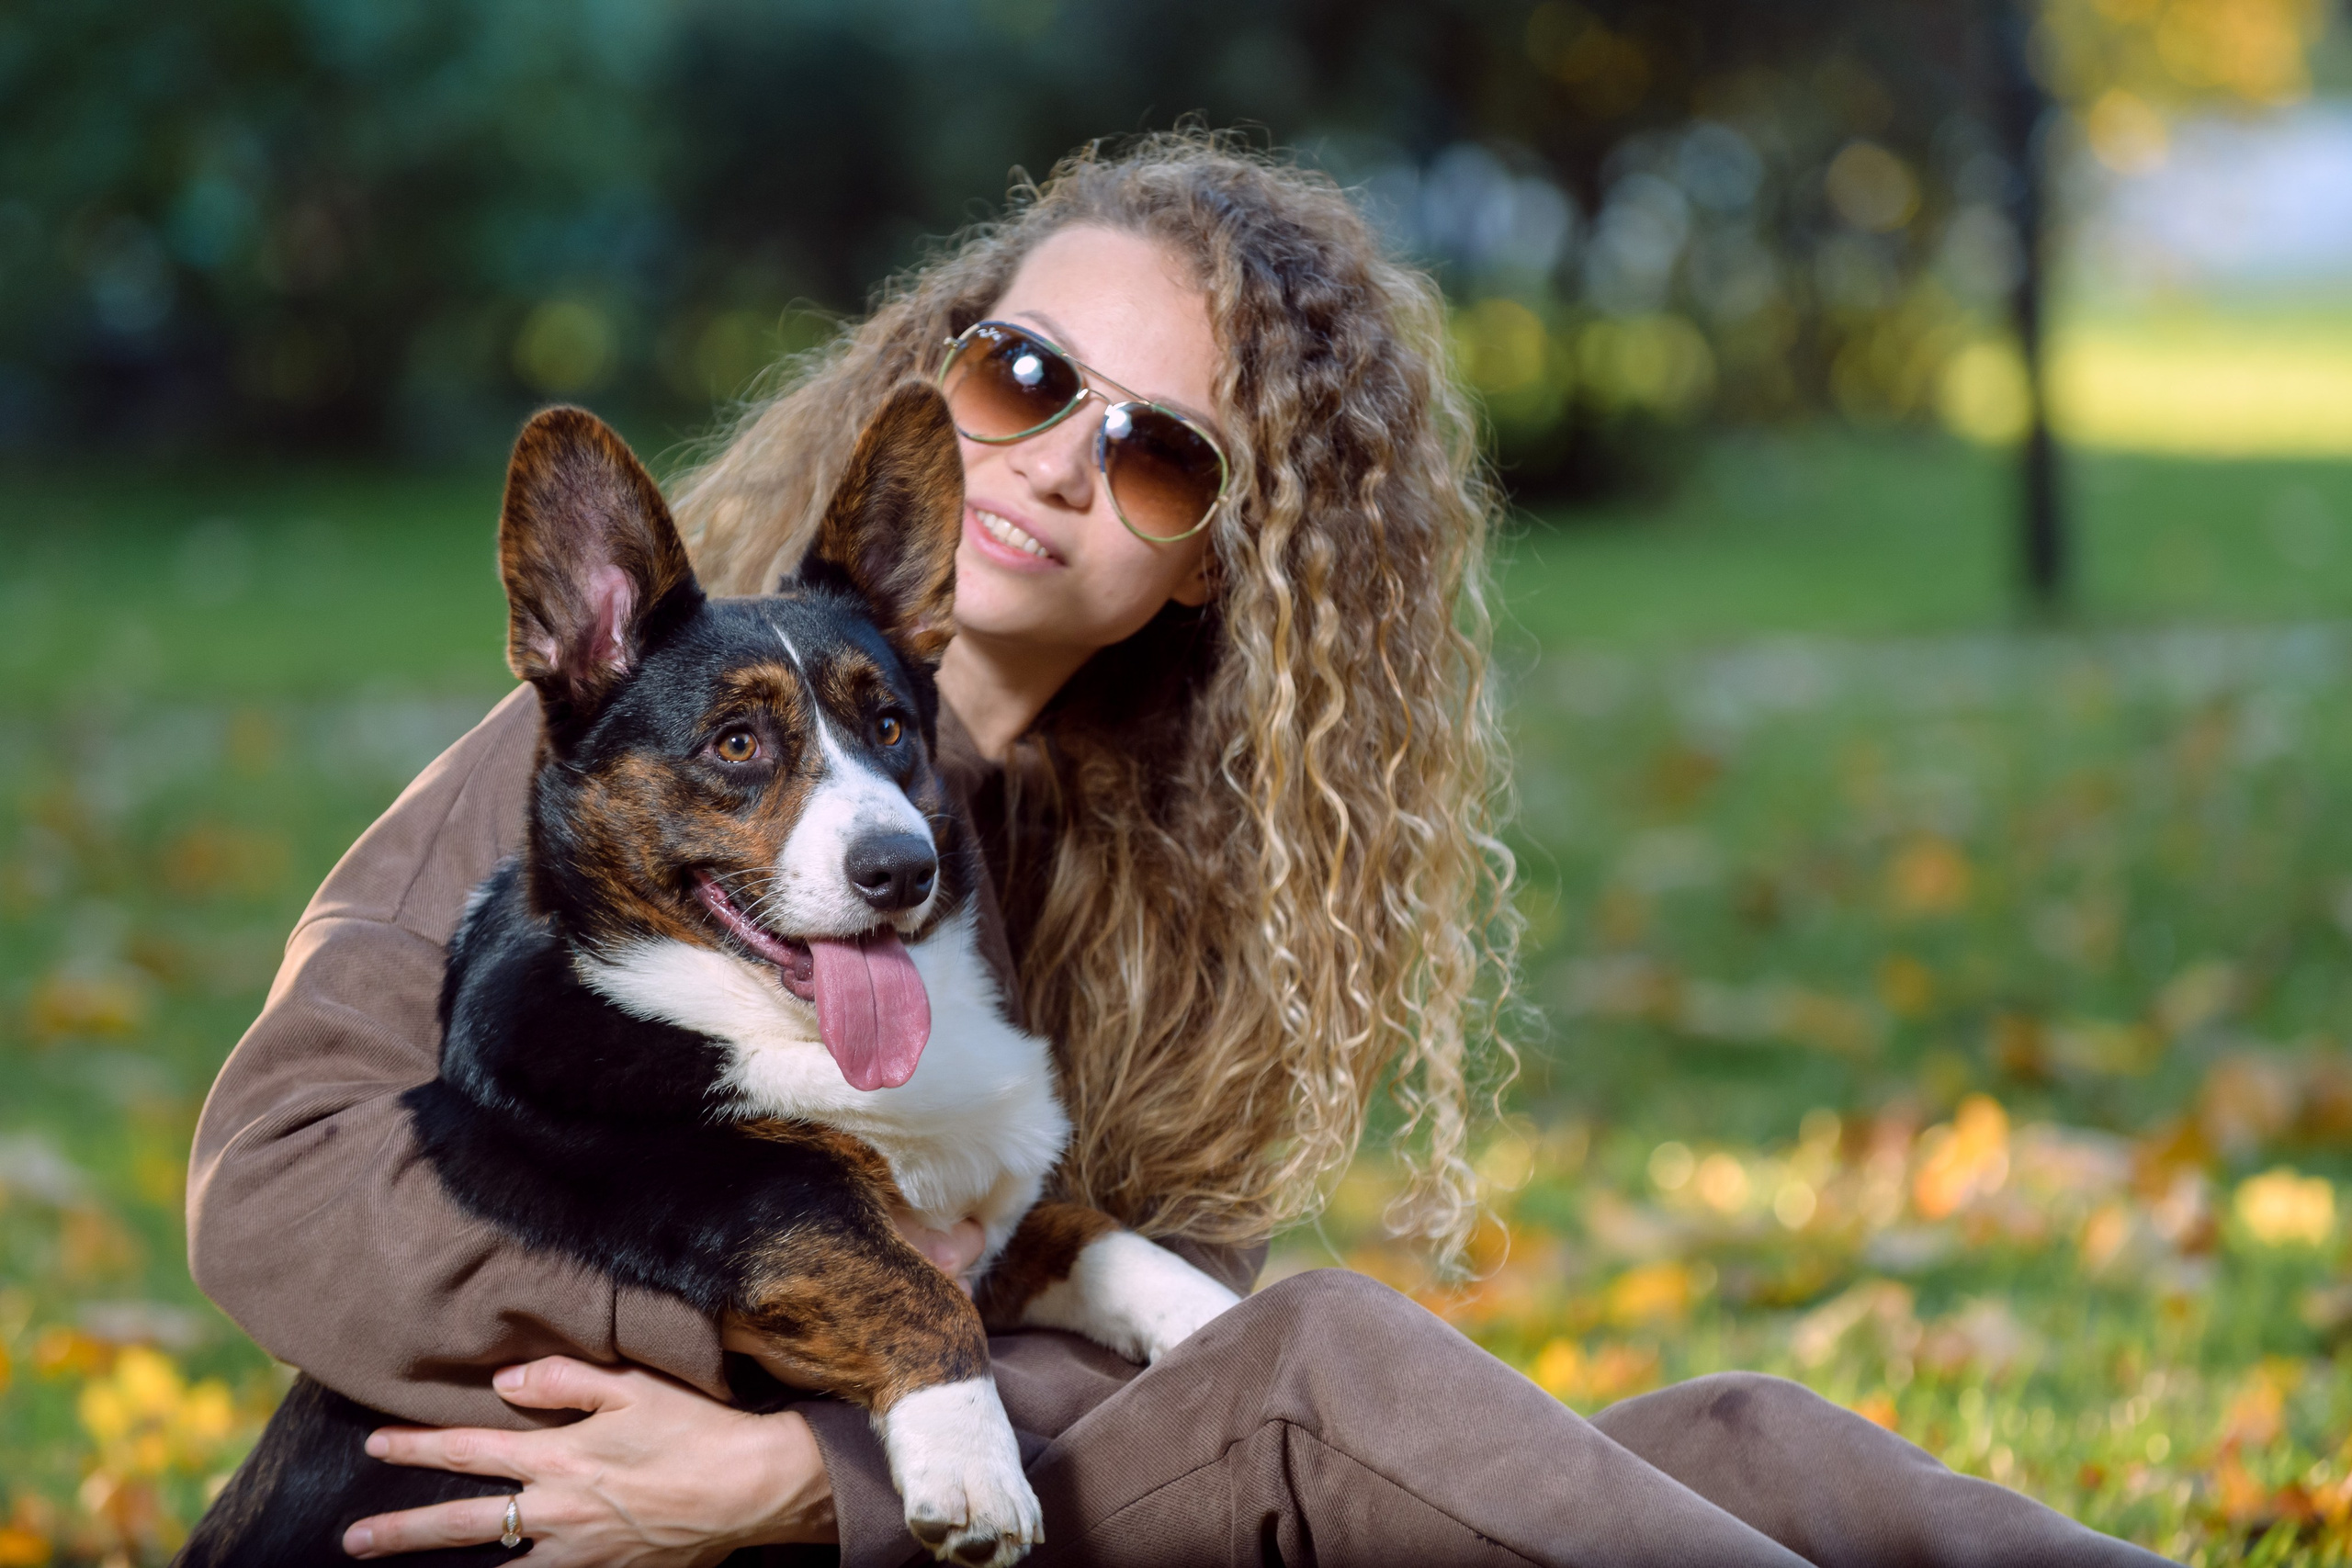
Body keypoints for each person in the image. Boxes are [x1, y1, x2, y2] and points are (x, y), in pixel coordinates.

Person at [187, 131, 2171, 1567]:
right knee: (1312, 1357)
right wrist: (778, 1350)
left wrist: (820, 1475)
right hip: (592, 1513)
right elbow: (271, 1188)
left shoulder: (1203, 879)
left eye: (1154, 452)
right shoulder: (618, 755)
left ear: (1227, 559)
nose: (1052, 458)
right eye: (1025, 376)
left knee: (1733, 1425)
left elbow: (1138, 1368)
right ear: (945, 371)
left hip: (928, 1511)